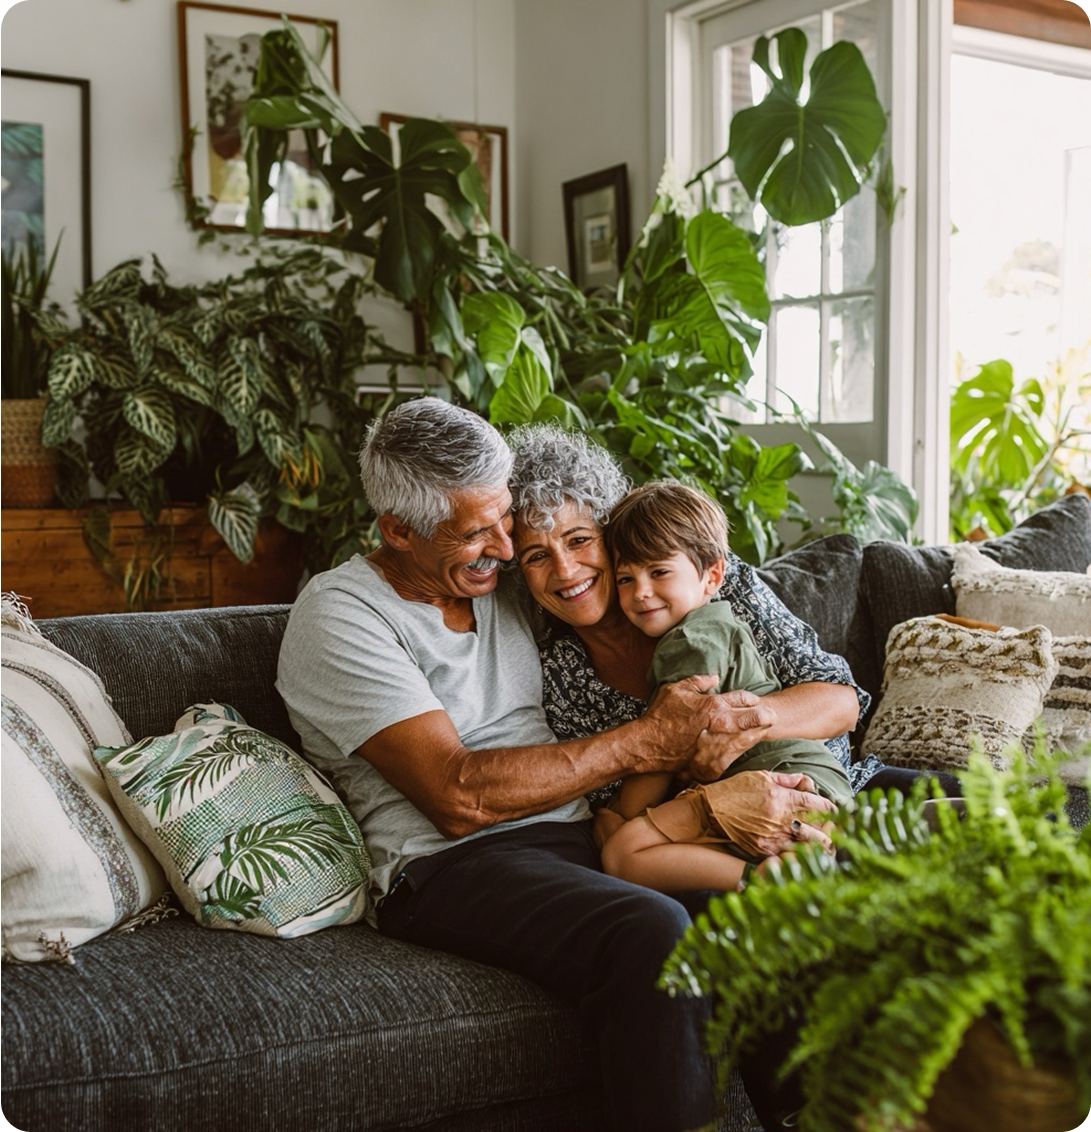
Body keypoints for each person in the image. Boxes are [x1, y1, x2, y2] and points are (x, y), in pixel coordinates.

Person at [276, 396, 836, 1132]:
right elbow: (456, 796)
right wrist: (648, 741)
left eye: (503, 522)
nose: (507, 552)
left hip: (573, 837)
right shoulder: (341, 615)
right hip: (452, 863)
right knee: (650, 930)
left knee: (769, 909)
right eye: (478, 533)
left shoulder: (502, 580)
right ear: (397, 531)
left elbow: (609, 565)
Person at [595, 480, 852, 896]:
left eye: (658, 572)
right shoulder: (715, 622)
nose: (640, 592)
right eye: (625, 578)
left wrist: (622, 813)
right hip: (816, 788)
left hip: (783, 782)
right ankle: (793, 876)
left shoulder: (691, 641)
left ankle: (762, 882)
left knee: (623, 850)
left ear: (712, 574)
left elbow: (666, 743)